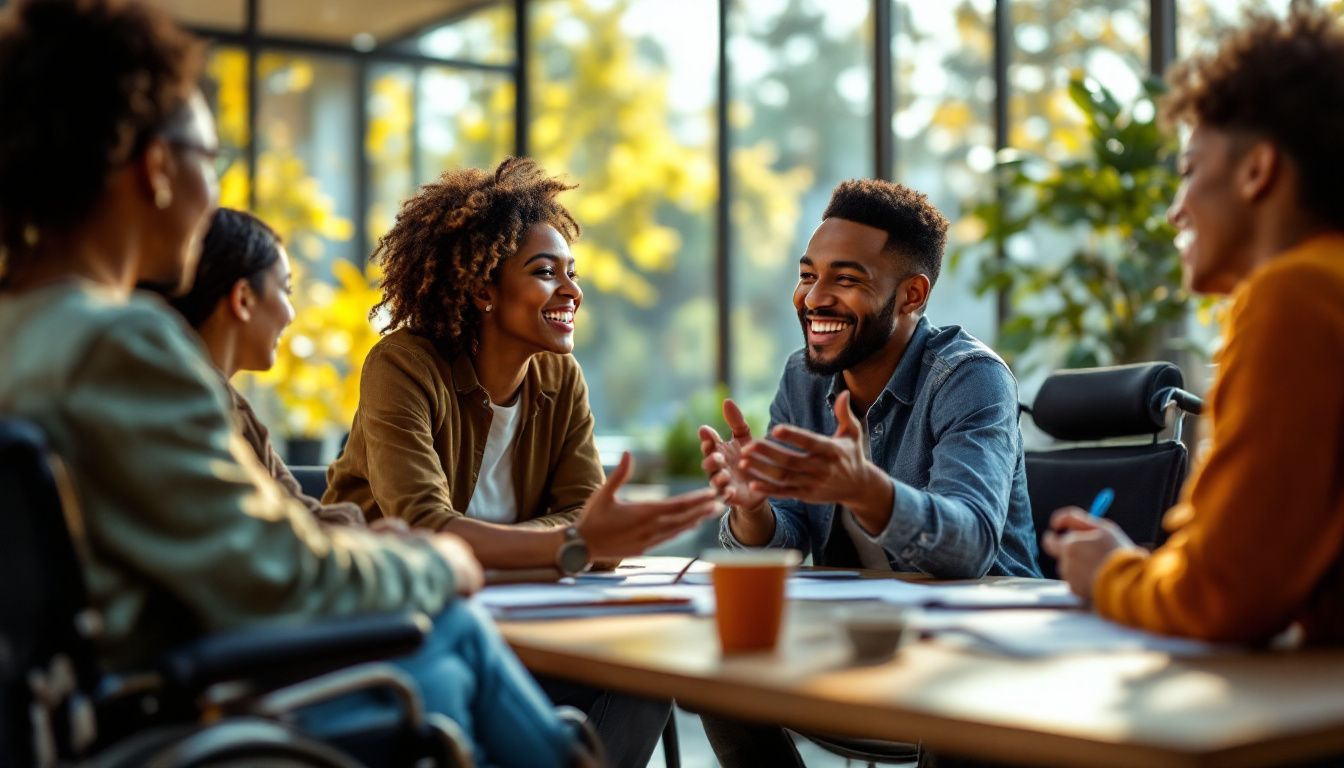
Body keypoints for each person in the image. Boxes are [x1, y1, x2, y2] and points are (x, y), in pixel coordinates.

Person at [0, 2, 589, 765]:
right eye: (211, 158)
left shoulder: (21, 336)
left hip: (84, 717)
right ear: (155, 167)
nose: (213, 191)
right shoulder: (119, 342)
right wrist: (435, 562)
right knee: (453, 635)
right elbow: (271, 577)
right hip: (178, 721)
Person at [324, 156, 718, 765]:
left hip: (521, 625)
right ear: (483, 287)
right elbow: (426, 526)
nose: (571, 291)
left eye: (572, 273)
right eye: (545, 272)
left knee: (646, 672)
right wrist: (570, 545)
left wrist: (569, 539)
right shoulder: (403, 365)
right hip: (403, 630)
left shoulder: (561, 378)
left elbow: (585, 516)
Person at [696, 179, 1041, 767]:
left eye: (846, 279)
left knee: (955, 713)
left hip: (980, 650)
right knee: (711, 676)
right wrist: (753, 510)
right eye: (808, 275)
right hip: (858, 637)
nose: (813, 298)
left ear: (911, 295)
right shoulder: (804, 380)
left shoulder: (969, 378)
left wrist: (869, 492)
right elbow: (791, 533)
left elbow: (972, 548)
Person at [1043, 4, 1344, 646]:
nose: (1177, 213)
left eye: (1188, 171)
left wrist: (1110, 575)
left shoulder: (1295, 296)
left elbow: (1222, 596)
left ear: (1257, 171)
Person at [152, 206, 363, 526]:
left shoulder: (226, 405)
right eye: (286, 289)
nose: (291, 314)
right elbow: (283, 535)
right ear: (244, 299)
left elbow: (302, 517)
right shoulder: (201, 413)